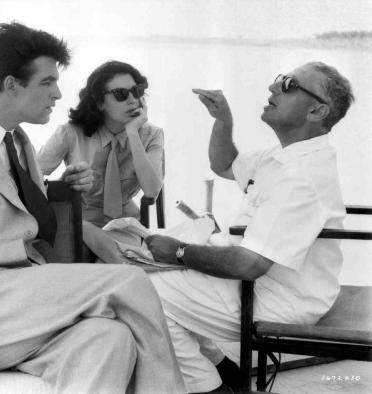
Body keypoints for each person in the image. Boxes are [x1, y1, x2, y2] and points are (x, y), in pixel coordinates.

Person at [0, 22, 185, 394]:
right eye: (47, 82)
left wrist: (57, 188)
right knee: (130, 282)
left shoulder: (20, 145)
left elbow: (6, 206)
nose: (58, 93)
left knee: (108, 339)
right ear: (11, 85)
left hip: (22, 301)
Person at [145, 62, 354, 393]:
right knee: (152, 275)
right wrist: (223, 120)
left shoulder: (300, 176)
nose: (273, 88)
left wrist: (180, 252)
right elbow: (224, 164)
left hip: (281, 299)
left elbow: (249, 264)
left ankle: (212, 388)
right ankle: (224, 369)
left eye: (288, 85)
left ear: (316, 110)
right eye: (278, 80)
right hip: (273, 283)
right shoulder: (286, 156)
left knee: (142, 293)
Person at [38, 60, 164, 228]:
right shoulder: (71, 132)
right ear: (99, 102)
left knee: (122, 250)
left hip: (124, 223)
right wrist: (63, 184)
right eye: (121, 94)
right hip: (78, 222)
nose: (133, 100)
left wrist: (133, 133)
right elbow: (31, 175)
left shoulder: (152, 135)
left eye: (136, 91)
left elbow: (152, 191)